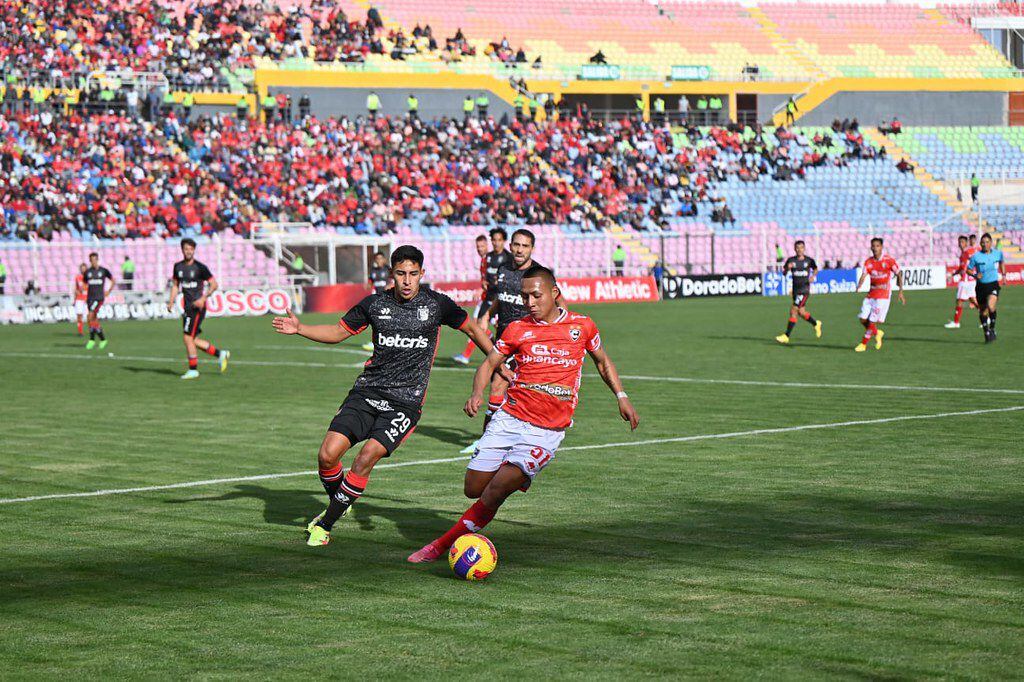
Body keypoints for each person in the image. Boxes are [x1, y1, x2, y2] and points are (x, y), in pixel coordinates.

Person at [407, 265, 640, 564]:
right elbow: (489, 364)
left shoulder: (582, 327)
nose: (529, 302)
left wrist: (622, 397)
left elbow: (603, 362)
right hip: (509, 419)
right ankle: (517, 475)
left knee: (494, 492)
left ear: (554, 293)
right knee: (473, 488)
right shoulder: (518, 328)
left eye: (536, 295)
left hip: (546, 432)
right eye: (524, 296)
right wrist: (477, 393)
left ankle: (439, 546)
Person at [271, 245, 497, 547]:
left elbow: (471, 328)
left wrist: (497, 362)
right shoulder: (374, 305)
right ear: (392, 274)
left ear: (422, 274)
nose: (407, 280)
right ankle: (342, 499)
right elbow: (338, 332)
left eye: (413, 274)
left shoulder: (436, 305)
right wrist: (301, 329)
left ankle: (325, 525)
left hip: (405, 402)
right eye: (401, 274)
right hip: (367, 391)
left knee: (365, 458)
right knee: (327, 455)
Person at [167, 238, 230, 379]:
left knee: (187, 338)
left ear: (194, 250)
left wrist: (203, 298)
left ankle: (193, 370)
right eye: (186, 249)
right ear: (182, 250)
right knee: (192, 340)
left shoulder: (200, 267)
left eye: (191, 249)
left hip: (197, 308)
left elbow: (214, 284)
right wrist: (171, 301)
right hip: (187, 308)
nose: (188, 251)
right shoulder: (178, 267)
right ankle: (221, 354)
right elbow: (176, 285)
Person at [854, 238, 905, 352]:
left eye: (877, 246)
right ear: (871, 247)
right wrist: (859, 285)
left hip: (883, 295)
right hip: (871, 294)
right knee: (863, 319)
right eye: (873, 246)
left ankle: (863, 344)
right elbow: (864, 275)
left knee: (872, 320)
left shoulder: (889, 261)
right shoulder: (868, 262)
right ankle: (877, 333)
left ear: (882, 247)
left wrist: (900, 291)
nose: (875, 248)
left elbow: (899, 273)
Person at [452, 235, 492, 365]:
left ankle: (467, 355)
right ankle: (490, 344)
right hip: (485, 298)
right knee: (478, 327)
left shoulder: (491, 260)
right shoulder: (483, 260)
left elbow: (495, 280)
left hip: (491, 299)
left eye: (482, 246)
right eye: (478, 247)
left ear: (487, 245)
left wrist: (483, 289)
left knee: (477, 327)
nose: (480, 249)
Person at [775, 240, 822, 344]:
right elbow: (784, 273)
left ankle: (786, 336)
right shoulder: (791, 260)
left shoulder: (809, 260)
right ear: (794, 249)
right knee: (801, 312)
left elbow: (816, 269)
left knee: (793, 311)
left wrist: (813, 276)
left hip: (804, 290)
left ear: (804, 248)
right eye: (797, 247)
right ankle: (816, 323)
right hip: (796, 290)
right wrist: (788, 268)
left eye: (801, 247)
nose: (799, 249)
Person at [966, 233, 1005, 343]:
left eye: (987, 242)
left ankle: (992, 328)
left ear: (991, 243)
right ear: (980, 244)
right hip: (981, 287)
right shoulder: (976, 257)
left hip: (993, 284)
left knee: (991, 306)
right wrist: (974, 275)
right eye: (982, 242)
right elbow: (968, 270)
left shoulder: (997, 254)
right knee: (983, 311)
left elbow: (1002, 261)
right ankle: (986, 331)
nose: (984, 244)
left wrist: (1004, 275)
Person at [945, 235, 979, 329]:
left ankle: (956, 322)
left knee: (959, 300)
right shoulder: (962, 255)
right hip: (967, 281)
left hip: (966, 280)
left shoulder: (968, 252)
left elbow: (976, 259)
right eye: (959, 242)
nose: (960, 244)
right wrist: (953, 275)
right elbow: (961, 267)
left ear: (966, 243)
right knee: (972, 300)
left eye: (962, 242)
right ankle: (986, 316)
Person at [83, 252, 115, 350]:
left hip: (99, 298)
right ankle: (100, 340)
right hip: (90, 298)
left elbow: (113, 280)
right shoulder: (87, 272)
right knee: (93, 320)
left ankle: (94, 340)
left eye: (95, 260)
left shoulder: (104, 271)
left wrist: (109, 291)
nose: (93, 262)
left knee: (90, 317)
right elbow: (84, 284)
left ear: (97, 260)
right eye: (91, 260)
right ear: (90, 261)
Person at [363, 251, 392, 352]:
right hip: (377, 299)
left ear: (384, 259)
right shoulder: (373, 270)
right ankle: (377, 341)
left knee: (387, 320)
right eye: (377, 259)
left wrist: (391, 285)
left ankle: (388, 341)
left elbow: (395, 280)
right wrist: (368, 284)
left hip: (388, 299)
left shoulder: (389, 270)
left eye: (381, 258)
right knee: (376, 320)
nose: (379, 261)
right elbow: (370, 281)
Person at [72, 263, 88, 336]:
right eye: (82, 268)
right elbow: (76, 289)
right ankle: (80, 332)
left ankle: (92, 330)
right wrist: (75, 298)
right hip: (79, 299)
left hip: (87, 299)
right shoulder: (78, 277)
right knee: (79, 315)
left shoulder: (89, 277)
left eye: (84, 268)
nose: (83, 270)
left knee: (89, 316)